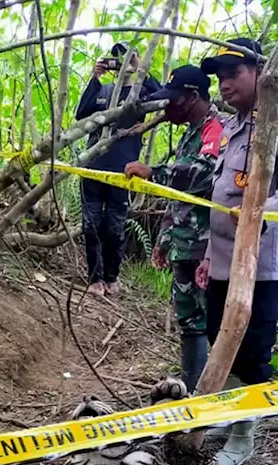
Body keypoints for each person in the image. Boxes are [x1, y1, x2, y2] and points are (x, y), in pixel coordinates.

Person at [197, 38, 278, 465]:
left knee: (252, 349)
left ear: (260, 71)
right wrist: (209, 254)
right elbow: (222, 189)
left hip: (259, 261)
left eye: (233, 73)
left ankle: (245, 433)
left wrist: (265, 213)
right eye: (220, 77)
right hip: (224, 255)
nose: (225, 84)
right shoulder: (231, 125)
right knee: (217, 337)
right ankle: (226, 415)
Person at [122, 65, 225, 391]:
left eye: (173, 100)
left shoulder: (215, 129)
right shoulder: (190, 133)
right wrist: (164, 237)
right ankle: (191, 388)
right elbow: (177, 197)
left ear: (193, 96)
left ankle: (213, 393)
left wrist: (153, 172)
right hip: (183, 241)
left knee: (213, 320)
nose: (167, 108)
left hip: (208, 244)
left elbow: (204, 174)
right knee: (189, 319)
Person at [74, 42, 161, 295]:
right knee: (91, 225)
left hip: (124, 171)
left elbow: (164, 97)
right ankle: (94, 279)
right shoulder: (104, 90)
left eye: (126, 57)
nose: (121, 62)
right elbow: (81, 113)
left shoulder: (140, 94)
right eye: (117, 58)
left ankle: (112, 277)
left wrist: (140, 70)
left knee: (114, 227)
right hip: (93, 167)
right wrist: (95, 77)